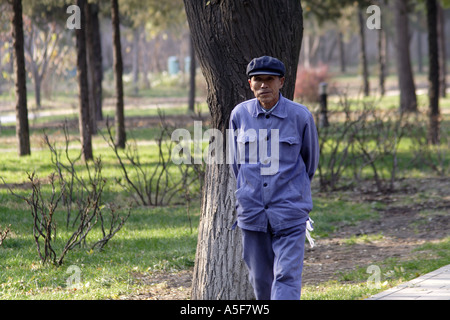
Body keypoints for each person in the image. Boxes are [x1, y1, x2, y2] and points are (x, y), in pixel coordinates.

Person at [228, 56, 319, 300]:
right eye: (258, 80)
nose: (264, 85)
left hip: (289, 212)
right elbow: (236, 164)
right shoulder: (239, 115)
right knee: (260, 280)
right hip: (253, 213)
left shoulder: (300, 116)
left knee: (286, 277)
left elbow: (309, 162)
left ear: (281, 82)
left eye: (270, 80)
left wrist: (290, 190)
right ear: (250, 83)